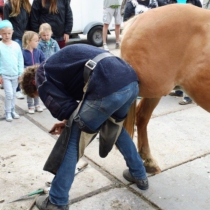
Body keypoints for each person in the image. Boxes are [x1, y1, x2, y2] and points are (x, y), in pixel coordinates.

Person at [20, 43, 149, 209]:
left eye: (37, 95)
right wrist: (68, 120)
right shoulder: (57, 65)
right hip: (130, 82)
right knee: (114, 128)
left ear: (33, 83)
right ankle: (139, 174)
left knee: (72, 139)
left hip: (107, 86)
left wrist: (68, 123)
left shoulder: (41, 76)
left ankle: (56, 201)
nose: (42, 98)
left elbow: (67, 110)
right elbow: (80, 108)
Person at [169, 0, 201, 105]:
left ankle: (188, 96)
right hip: (175, 35)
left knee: (188, 65)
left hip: (190, 35)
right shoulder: (171, 0)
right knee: (177, 64)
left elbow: (201, 16)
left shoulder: (194, 1)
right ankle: (179, 90)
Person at [3, 0, 31, 99]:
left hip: (26, 38)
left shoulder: (26, 4)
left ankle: (24, 87)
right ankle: (18, 89)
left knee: (25, 63)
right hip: (16, 38)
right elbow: (7, 24)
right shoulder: (8, 5)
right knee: (17, 64)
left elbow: (30, 21)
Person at [0, 20, 23, 122]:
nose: (7, 35)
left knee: (13, 93)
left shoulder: (16, 45)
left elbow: (20, 59)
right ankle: (8, 112)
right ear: (0, 33)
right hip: (5, 74)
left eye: (9, 33)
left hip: (15, 74)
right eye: (4, 33)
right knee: (9, 94)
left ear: (12, 32)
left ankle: (13, 110)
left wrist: (20, 72)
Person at [22, 31, 45, 114]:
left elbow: (43, 60)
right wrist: (27, 69)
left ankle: (37, 104)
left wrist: (40, 67)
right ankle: (30, 105)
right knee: (29, 89)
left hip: (37, 74)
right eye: (35, 41)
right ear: (28, 41)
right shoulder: (23, 52)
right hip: (28, 75)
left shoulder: (38, 52)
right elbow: (22, 63)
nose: (37, 42)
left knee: (37, 88)